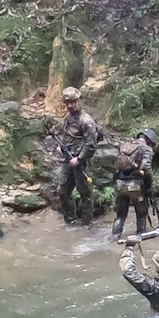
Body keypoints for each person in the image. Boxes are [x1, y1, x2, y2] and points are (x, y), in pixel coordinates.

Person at [57, 86, 99, 225]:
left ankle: (87, 224)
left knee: (85, 194)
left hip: (82, 162)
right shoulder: (68, 118)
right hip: (68, 160)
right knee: (63, 191)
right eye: (67, 103)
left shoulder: (86, 121)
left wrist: (79, 158)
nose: (70, 105)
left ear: (78, 101)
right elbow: (67, 135)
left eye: (73, 102)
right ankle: (71, 221)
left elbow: (91, 144)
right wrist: (61, 147)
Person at [111, 128, 156, 241]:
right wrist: (149, 186)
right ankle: (141, 238)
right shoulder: (146, 149)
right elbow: (146, 169)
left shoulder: (125, 146)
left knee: (120, 215)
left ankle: (114, 238)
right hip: (136, 186)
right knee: (141, 214)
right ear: (149, 140)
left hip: (120, 184)